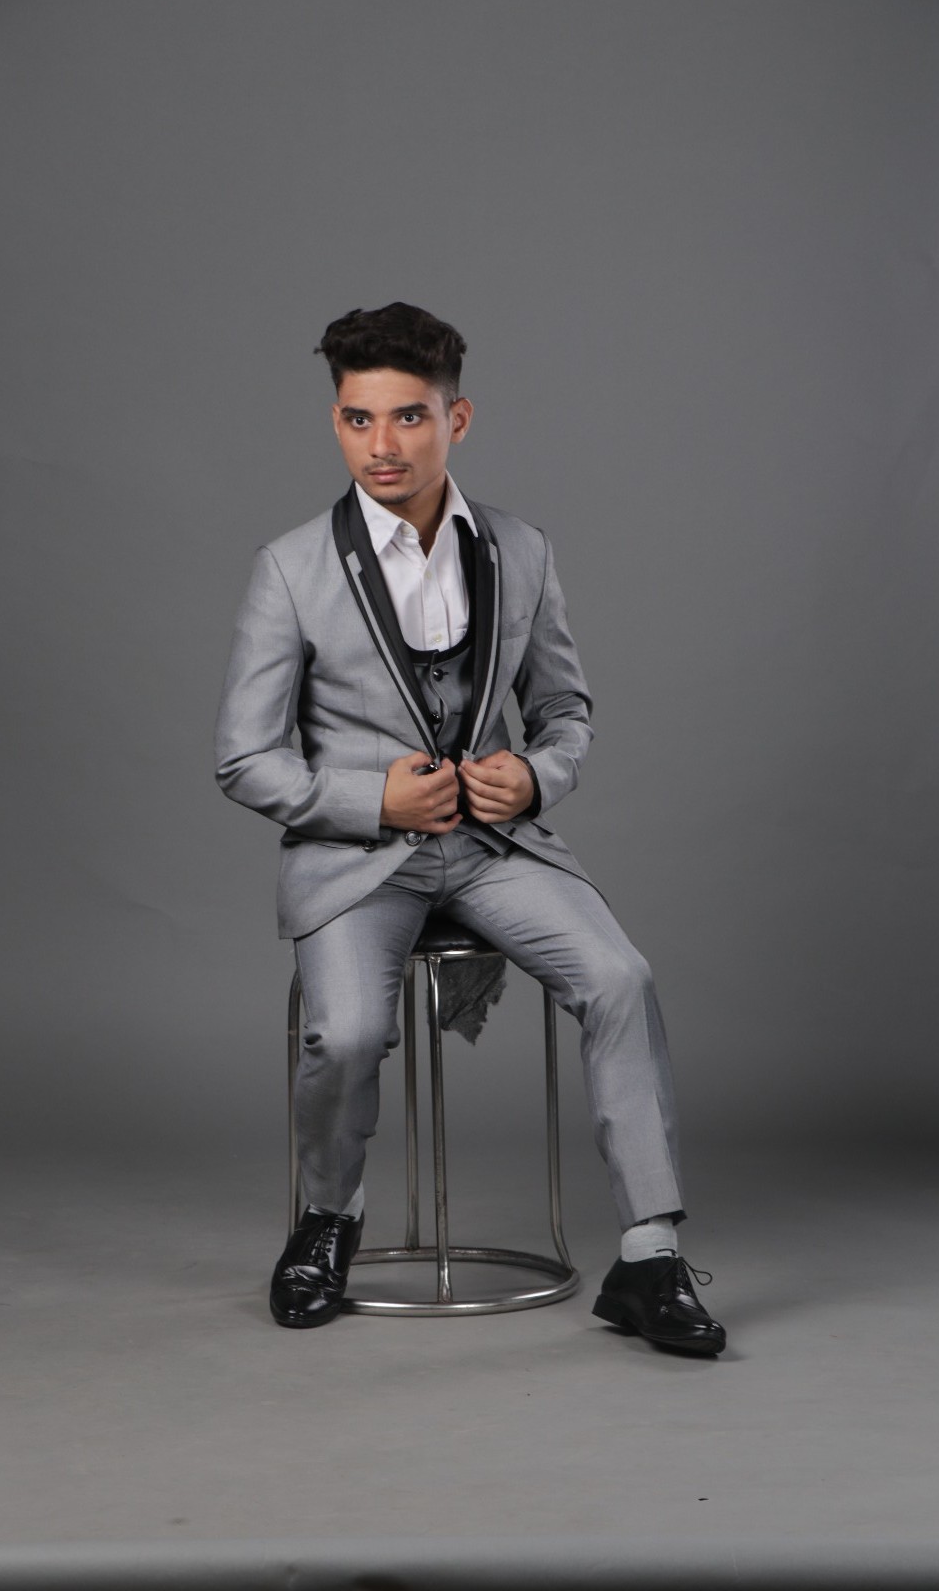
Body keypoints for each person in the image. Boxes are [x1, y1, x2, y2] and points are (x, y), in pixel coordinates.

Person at [215, 302, 726, 1355]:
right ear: (336, 421)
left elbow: (566, 712)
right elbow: (244, 757)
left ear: (457, 418)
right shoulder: (291, 567)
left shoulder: (521, 551)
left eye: (409, 416)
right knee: (347, 1030)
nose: (383, 444)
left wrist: (532, 778)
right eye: (358, 419)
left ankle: (649, 1256)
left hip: (494, 850)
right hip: (359, 861)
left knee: (620, 978)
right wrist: (374, 801)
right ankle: (327, 1220)